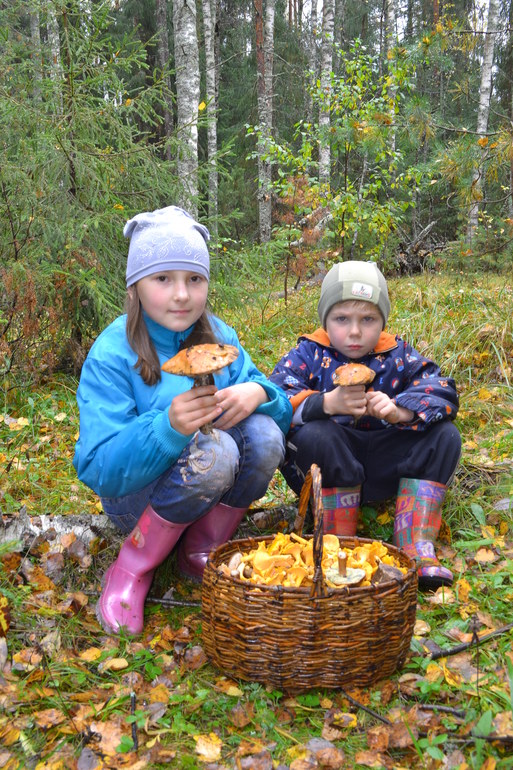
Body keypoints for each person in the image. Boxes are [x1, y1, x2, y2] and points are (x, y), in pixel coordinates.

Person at [73, 206, 292, 634]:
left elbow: (280, 412)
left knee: (264, 436)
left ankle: (202, 549)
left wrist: (260, 393)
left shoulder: (219, 339)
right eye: (163, 279)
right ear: (135, 286)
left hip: (208, 488)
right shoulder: (113, 353)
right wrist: (166, 428)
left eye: (194, 279)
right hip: (136, 499)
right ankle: (134, 566)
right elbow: (99, 468)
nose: (181, 295)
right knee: (216, 450)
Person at [270, 260, 461, 590]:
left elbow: (441, 389)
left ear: (382, 321)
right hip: (334, 462)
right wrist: (326, 403)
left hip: (387, 461)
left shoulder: (396, 352)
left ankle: (415, 543)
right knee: (316, 434)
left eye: (368, 319)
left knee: (445, 436)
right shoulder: (310, 352)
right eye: (342, 319)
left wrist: (400, 411)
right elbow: (275, 396)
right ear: (325, 319)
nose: (355, 331)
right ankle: (337, 547)